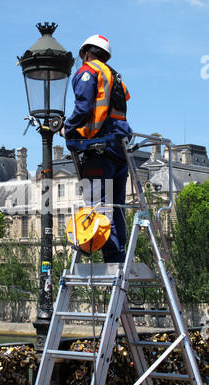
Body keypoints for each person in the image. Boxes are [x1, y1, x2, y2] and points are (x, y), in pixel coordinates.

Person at [61, 35, 132, 263]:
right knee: (117, 209)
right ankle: (119, 257)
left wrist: (68, 129)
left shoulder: (88, 71)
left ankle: (112, 261)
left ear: (86, 53)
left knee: (97, 211)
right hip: (119, 151)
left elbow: (83, 107)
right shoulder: (115, 77)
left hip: (98, 150)